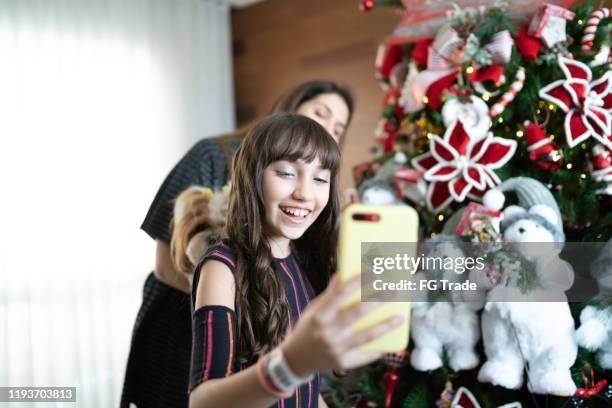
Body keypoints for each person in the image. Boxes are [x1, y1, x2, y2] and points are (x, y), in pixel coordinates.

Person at [120, 80, 354, 408]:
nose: (327, 128)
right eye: (321, 113)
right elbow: (165, 263)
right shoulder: (213, 158)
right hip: (183, 328)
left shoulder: (301, 260)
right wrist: (245, 300)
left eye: (338, 127)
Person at [189, 112, 404, 408]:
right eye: (287, 173)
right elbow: (202, 402)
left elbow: (304, 391)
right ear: (252, 176)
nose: (304, 193)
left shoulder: (305, 266)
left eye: (320, 178)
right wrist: (290, 365)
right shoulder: (222, 268)